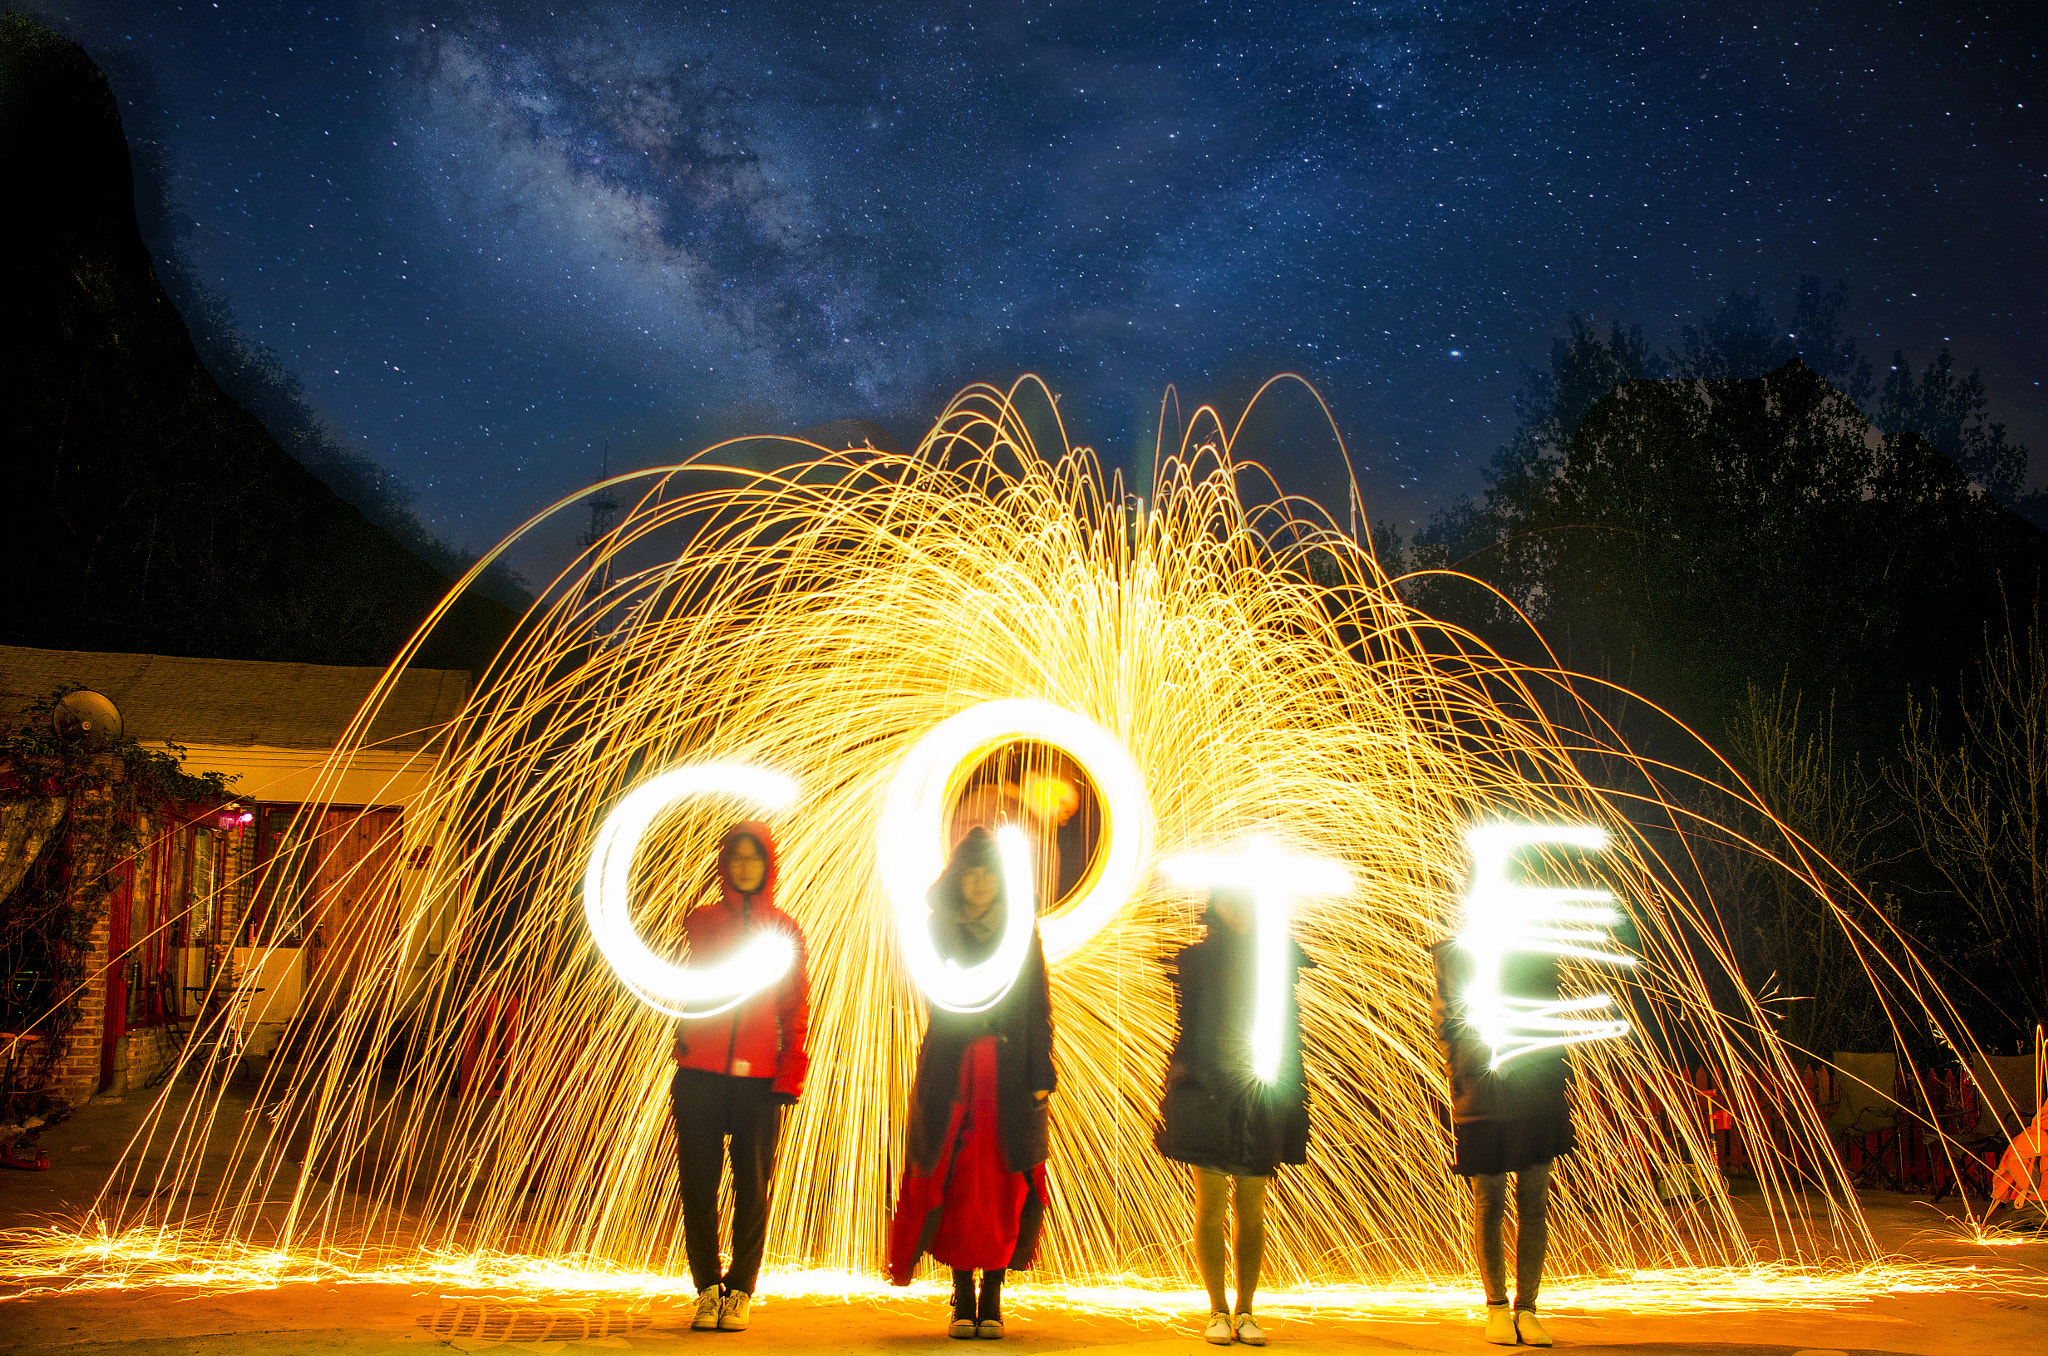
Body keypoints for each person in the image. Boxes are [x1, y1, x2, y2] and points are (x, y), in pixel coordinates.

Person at [888, 827, 1057, 1339]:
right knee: (955, 1178)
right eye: (971, 872)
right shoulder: (938, 930)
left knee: (1003, 1183)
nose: (980, 882)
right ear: (958, 878)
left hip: (1007, 1076)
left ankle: (993, 1297)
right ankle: (962, 1297)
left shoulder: (1021, 932)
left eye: (988, 872)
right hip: (954, 1071)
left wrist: (1041, 1071)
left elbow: (1037, 1004)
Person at [1156, 887, 1315, 1347]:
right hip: (1208, 1094)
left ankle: (1246, 1309)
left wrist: (1293, 1094)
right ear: (1216, 909)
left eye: (1248, 901)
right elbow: (1190, 1027)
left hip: (1259, 1093)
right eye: (1231, 902)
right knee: (1210, 1207)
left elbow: (1290, 1030)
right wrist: (1182, 1091)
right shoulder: (1199, 962)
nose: (1239, 910)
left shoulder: (1277, 960)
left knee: (1251, 1206)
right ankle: (1218, 1311)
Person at [671, 822, 811, 1334]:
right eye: (736, 857)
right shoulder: (703, 921)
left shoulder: (785, 930)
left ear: (768, 865)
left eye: (755, 857)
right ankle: (707, 1286)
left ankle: (741, 1289)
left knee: (754, 1185)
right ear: (725, 865)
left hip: (758, 1080)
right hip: (701, 1073)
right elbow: (676, 964)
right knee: (698, 1183)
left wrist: (789, 1072)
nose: (745, 865)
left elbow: (795, 1007)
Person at [1430, 941, 1572, 1348]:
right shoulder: (1455, 954)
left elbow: (1551, 1018)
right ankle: (1496, 1307)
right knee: (1489, 1200)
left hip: (1535, 1088)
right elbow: (1444, 1022)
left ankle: (1526, 1308)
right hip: (1481, 1089)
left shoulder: (1535, 952)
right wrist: (1464, 1071)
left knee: (1534, 1200)